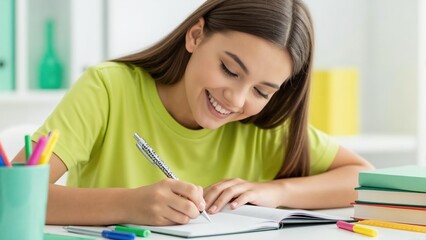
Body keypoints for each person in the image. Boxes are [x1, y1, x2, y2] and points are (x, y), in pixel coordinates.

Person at [14, 0, 373, 226]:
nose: (235, 99)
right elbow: (11, 196)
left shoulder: (264, 126)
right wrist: (130, 204)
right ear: (196, 36)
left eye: (262, 91)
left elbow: (363, 178)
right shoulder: (108, 89)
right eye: (230, 70)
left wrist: (276, 192)